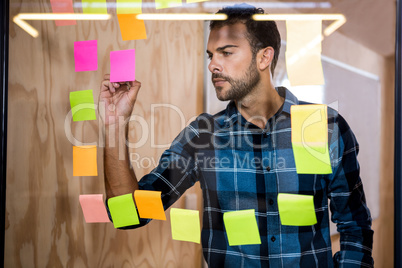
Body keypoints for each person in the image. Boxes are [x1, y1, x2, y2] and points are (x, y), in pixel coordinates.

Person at [99, 4, 374, 267]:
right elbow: (129, 215)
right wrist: (114, 125)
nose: (212, 66)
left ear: (264, 57)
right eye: (210, 55)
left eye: (226, 53)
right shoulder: (203, 136)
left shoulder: (325, 127)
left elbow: (355, 227)